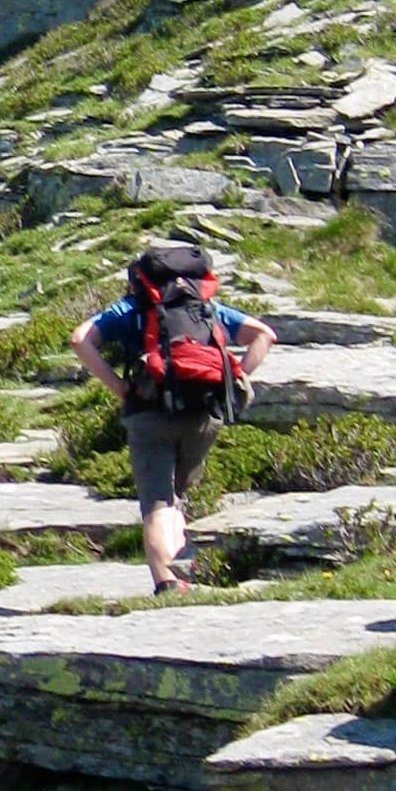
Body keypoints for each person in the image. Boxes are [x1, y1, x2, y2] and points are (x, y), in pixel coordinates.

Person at [69, 241, 275, 595]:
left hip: (149, 413)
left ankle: (168, 583)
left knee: (157, 503)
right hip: (203, 413)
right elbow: (265, 335)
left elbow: (80, 340)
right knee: (176, 495)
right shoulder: (207, 308)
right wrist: (235, 377)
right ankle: (184, 578)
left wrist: (119, 387)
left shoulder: (131, 308)